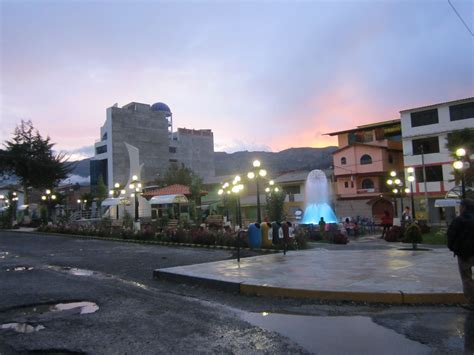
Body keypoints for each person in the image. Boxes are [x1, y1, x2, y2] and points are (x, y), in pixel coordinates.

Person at [447, 198, 474, 311]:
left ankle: (472, 302)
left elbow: (451, 235)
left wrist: (454, 248)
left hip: (465, 253)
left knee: (466, 277)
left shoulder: (459, 220)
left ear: (463, 207)